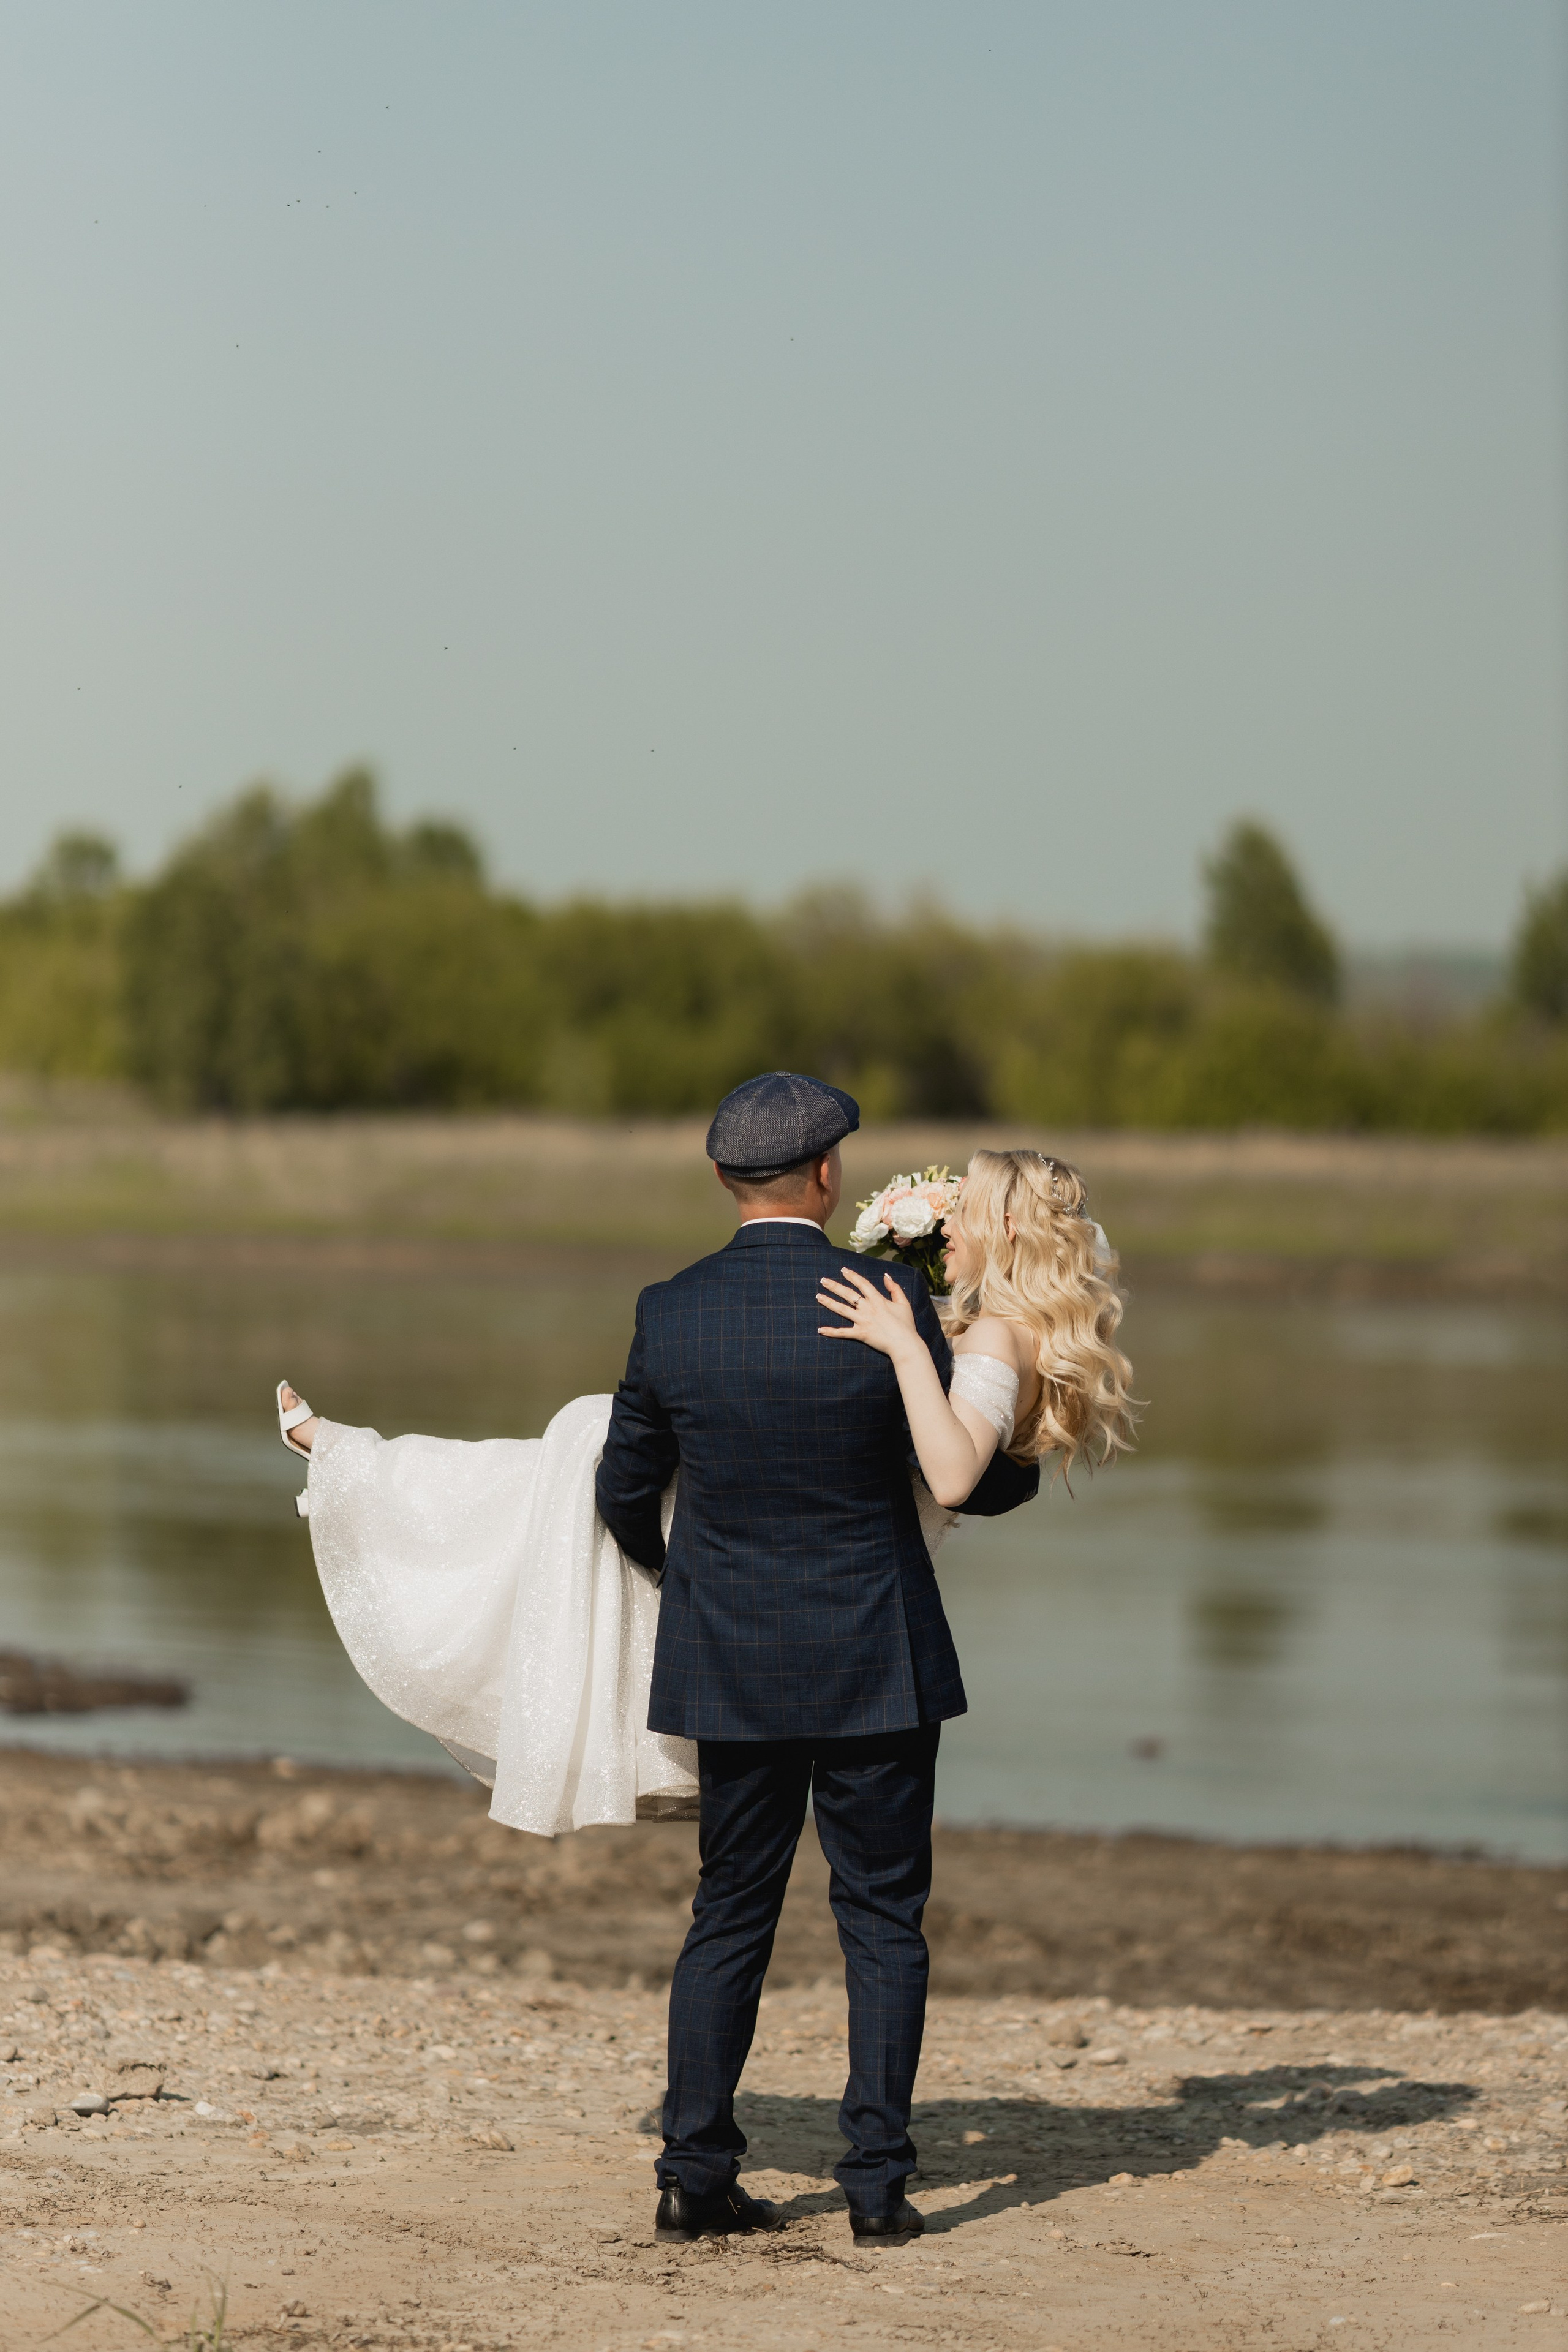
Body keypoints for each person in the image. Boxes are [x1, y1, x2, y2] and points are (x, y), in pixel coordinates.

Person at [595, 1101, 1133, 2247]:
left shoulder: (670, 1313)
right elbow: (970, 1479)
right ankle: (878, 2189)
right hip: (875, 1660)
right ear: (829, 1176)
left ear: (729, 1182)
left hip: (732, 1662)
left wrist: (690, 1579)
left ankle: (694, 2174)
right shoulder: (890, 1313)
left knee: (727, 1913)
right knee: (884, 1921)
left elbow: (621, 1494)